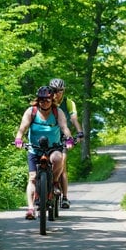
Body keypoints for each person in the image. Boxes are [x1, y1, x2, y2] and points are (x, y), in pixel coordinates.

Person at [15, 86, 74, 220]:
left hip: (53, 147)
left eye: (47, 100)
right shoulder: (31, 112)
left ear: (51, 99)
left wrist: (69, 139)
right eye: (41, 100)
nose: (44, 102)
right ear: (38, 100)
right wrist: (18, 139)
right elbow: (22, 128)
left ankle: (53, 182)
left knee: (58, 158)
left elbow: (64, 127)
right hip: (35, 148)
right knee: (32, 178)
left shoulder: (57, 112)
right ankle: (30, 209)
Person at [49, 78, 84, 209]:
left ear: (63, 91)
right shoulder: (46, 101)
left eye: (60, 91)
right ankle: (41, 189)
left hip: (63, 136)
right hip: (48, 135)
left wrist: (80, 132)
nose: (57, 93)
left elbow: (74, 119)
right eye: (54, 90)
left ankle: (64, 197)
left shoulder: (69, 103)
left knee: (62, 164)